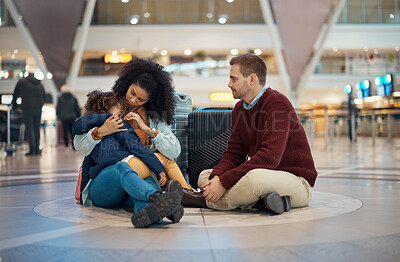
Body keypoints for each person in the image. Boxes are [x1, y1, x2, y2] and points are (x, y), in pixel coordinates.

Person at [198, 54, 318, 214]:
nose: (229, 84)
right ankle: (261, 204)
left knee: (254, 179)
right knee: (205, 176)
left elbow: (269, 158)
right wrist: (218, 178)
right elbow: (234, 154)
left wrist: (224, 183)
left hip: (296, 182)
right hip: (266, 176)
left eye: (234, 79)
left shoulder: (276, 103)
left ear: (252, 79)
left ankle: (201, 200)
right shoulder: (239, 109)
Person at [73, 90, 184, 227]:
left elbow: (138, 148)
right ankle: (158, 197)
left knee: (144, 184)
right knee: (121, 168)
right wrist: (103, 125)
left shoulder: (122, 128)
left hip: (123, 191)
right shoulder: (88, 131)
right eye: (118, 114)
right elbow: (77, 129)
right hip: (101, 189)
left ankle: (151, 212)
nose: (121, 118)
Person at [12, 72, 45, 156]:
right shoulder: (39, 83)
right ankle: (37, 149)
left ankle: (32, 150)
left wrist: (15, 106)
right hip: (38, 108)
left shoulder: (22, 82)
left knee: (29, 128)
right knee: (37, 129)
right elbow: (44, 96)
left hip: (27, 108)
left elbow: (15, 94)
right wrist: (40, 105)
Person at [56, 84, 81, 150]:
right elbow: (77, 108)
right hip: (72, 117)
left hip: (63, 117)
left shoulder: (60, 98)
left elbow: (58, 108)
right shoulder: (74, 98)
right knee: (73, 131)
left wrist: (58, 115)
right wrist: (78, 115)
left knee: (65, 131)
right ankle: (74, 146)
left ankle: (66, 145)